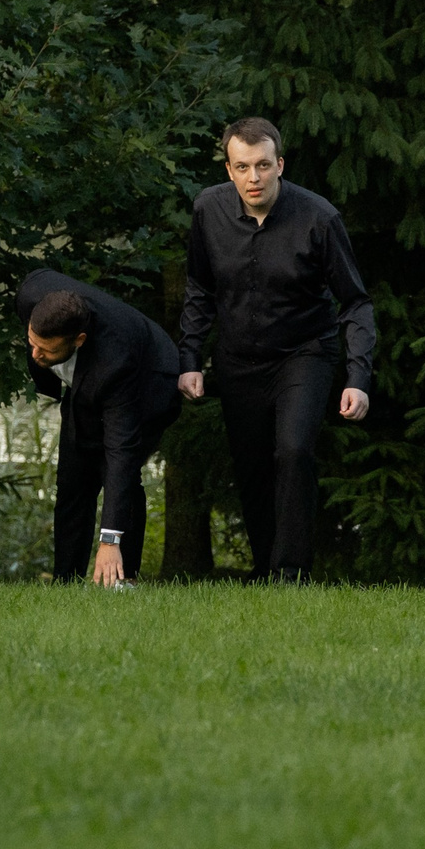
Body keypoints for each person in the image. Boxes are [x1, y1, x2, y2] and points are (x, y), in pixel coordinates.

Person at [177, 118, 375, 583]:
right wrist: (189, 360)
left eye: (263, 165)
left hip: (304, 352)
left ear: (279, 165)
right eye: (242, 167)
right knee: (251, 467)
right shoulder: (208, 210)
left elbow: (355, 301)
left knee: (293, 450)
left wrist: (358, 377)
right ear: (229, 170)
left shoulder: (319, 217)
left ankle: (292, 570)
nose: (254, 178)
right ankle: (267, 567)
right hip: (238, 359)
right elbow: (199, 289)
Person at [17, 270, 183, 587]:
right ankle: (66, 578)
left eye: (46, 350)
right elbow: (43, 345)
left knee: (117, 471)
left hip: (150, 385)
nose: (35, 354)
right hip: (86, 385)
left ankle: (122, 579)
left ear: (79, 340)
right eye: (32, 343)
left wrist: (109, 540)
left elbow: (122, 452)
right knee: (73, 478)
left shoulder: (114, 362)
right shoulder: (31, 294)